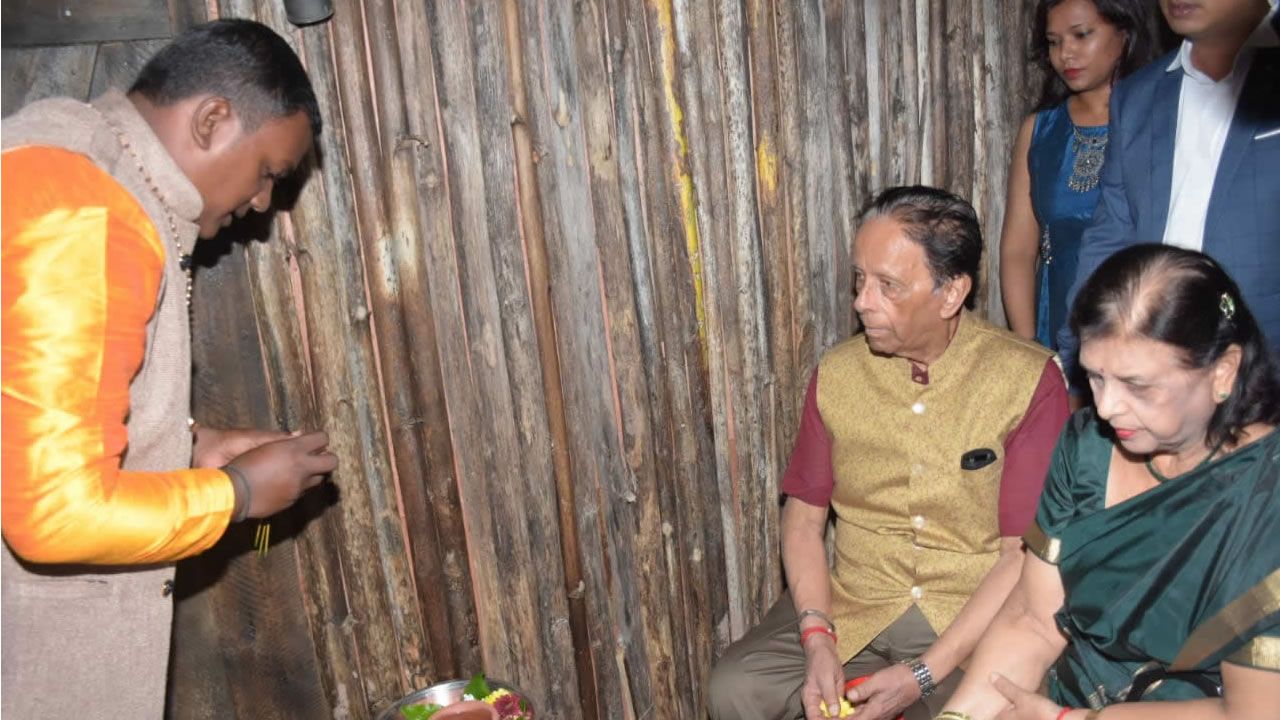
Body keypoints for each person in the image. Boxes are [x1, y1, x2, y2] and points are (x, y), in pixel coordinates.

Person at [1, 19, 339, 718]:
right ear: (213, 120)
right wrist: (237, 494)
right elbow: (54, 513)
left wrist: (188, 445)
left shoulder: (66, 159)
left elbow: (28, 413)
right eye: (269, 172)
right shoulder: (86, 213)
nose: (263, 202)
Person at [707, 187, 1071, 720]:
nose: (862, 301)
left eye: (888, 285)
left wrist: (923, 672)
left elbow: (1019, 555)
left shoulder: (1026, 381)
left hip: (971, 618)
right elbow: (803, 521)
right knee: (735, 688)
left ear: (951, 294)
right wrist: (817, 638)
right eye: (859, 279)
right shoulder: (838, 375)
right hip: (855, 600)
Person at [935, 244, 1280, 720]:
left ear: (1223, 372)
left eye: (1136, 385)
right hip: (1066, 698)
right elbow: (1033, 620)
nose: (1106, 407)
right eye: (1095, 377)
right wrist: (959, 716)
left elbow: (1251, 713)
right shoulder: (1088, 447)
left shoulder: (1266, 496)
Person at [1055, 0, 1280, 388]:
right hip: (1148, 382)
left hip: (1263, 376)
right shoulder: (1137, 96)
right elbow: (1109, 238)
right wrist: (1078, 357)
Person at [1000, 0, 1157, 349]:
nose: (1065, 54)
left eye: (1082, 35)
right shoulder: (1041, 131)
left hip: (1146, 322)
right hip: (1057, 321)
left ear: (1125, 31)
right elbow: (1017, 250)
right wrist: (1028, 350)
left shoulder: (1160, 118)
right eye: (1054, 42)